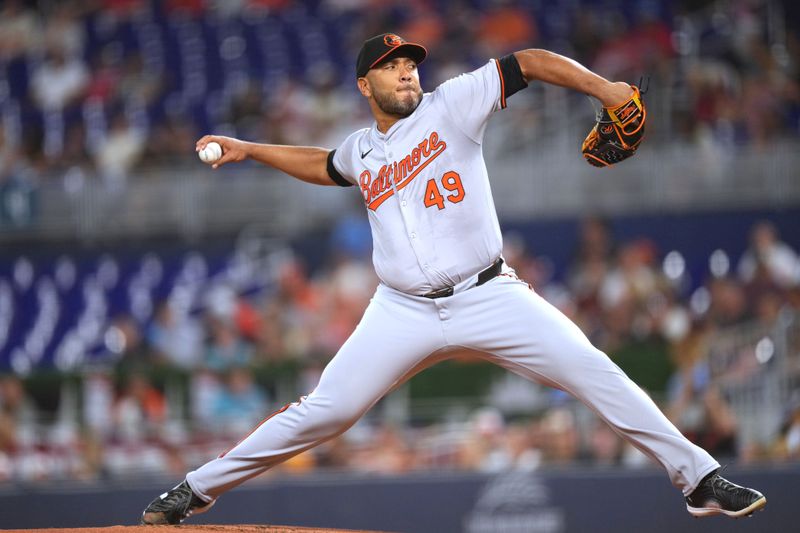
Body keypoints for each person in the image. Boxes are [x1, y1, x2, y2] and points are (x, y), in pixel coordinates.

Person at [141, 33, 766, 524]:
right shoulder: (362, 149)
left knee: (591, 366)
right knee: (322, 413)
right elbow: (322, 164)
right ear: (366, 84)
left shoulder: (453, 103)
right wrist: (251, 149)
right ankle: (195, 490)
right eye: (392, 65)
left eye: (410, 61)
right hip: (402, 311)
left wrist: (607, 90)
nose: (408, 70)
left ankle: (700, 479)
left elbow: (529, 61)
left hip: (489, 294)